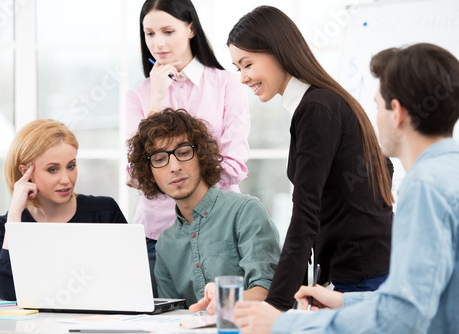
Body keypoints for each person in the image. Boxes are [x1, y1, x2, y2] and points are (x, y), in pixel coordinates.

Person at [233, 43, 459, 334]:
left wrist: (285, 323)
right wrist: (346, 302)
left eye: (377, 106)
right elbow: (425, 299)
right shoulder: (448, 172)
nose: (373, 117)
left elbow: (403, 317)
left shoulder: (425, 187)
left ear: (397, 113)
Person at [226, 5, 394, 311]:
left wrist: (275, 306)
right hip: (361, 271)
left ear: (276, 51)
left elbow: (305, 212)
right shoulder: (321, 102)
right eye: (238, 68)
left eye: (247, 64)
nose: (242, 78)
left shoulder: (316, 108)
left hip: (362, 277)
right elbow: (381, 169)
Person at [126, 0, 250, 296]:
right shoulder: (138, 96)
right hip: (156, 236)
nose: (158, 43)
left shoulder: (226, 85)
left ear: (191, 27)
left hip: (219, 233)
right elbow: (135, 175)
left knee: (222, 319)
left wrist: (167, 175)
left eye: (168, 31)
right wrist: (155, 99)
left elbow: (234, 167)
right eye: (150, 34)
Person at [127, 108, 280, 309]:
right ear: (149, 174)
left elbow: (269, 292)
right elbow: (172, 318)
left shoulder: (245, 212)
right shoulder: (165, 244)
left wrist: (225, 301)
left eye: (183, 152)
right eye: (160, 159)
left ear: (201, 155)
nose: (174, 167)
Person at [0, 119, 127, 301]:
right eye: (52, 169)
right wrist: (14, 216)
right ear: (25, 172)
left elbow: (127, 279)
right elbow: (5, 290)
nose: (66, 179)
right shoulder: (2, 227)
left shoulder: (105, 212)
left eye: (71, 166)